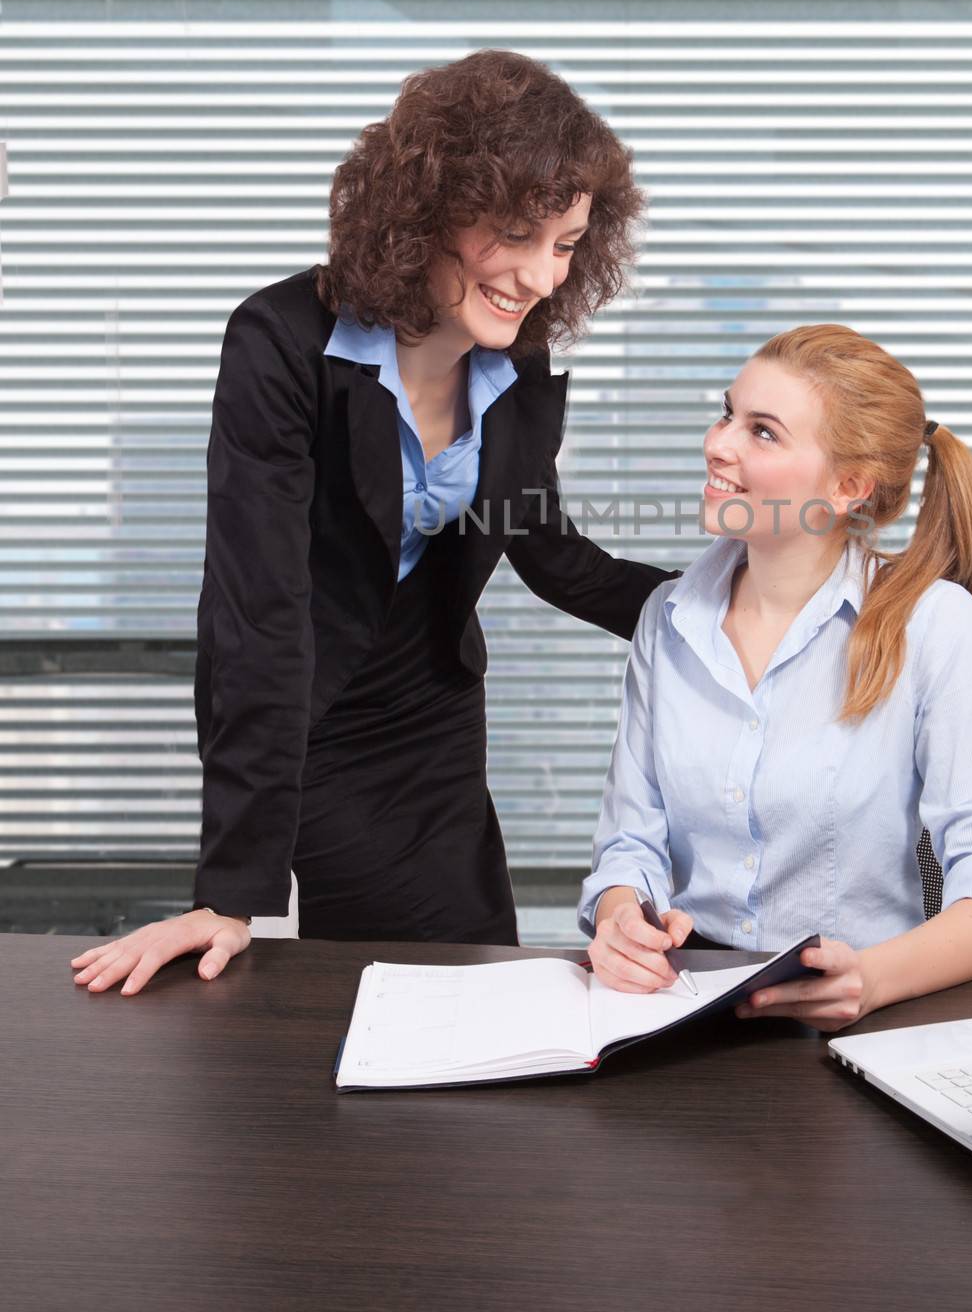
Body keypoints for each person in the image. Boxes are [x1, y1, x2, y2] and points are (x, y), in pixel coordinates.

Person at [71, 49, 677, 997]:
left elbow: (556, 557)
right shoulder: (281, 346)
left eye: (563, 244)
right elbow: (260, 614)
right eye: (516, 233)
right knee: (346, 1003)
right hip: (304, 702)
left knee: (476, 975)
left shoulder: (516, 366)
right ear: (427, 207)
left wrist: (735, 606)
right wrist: (229, 891)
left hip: (428, 707)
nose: (538, 276)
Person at [580, 323, 972, 1029]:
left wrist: (869, 979)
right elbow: (630, 843)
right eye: (726, 413)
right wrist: (621, 921)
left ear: (847, 486)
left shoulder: (933, 627)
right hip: (684, 1010)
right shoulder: (669, 618)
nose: (718, 443)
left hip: (862, 1016)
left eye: (762, 432)